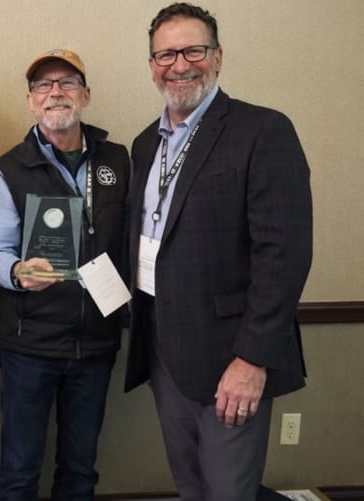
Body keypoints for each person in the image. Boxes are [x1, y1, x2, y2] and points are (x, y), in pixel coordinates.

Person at [124, 3, 312, 500]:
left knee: (229, 491)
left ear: (219, 57)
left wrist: (252, 359)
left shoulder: (262, 131)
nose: (180, 64)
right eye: (166, 53)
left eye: (194, 50)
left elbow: (284, 255)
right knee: (191, 486)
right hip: (165, 351)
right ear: (151, 65)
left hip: (232, 357)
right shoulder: (145, 145)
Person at [0, 49, 130, 500]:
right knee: (19, 473)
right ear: (30, 101)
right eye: (44, 85)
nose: (55, 93)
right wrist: (16, 272)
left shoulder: (119, 161)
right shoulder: (5, 170)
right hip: (31, 345)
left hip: (96, 343)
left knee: (81, 473)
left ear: (85, 94)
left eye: (67, 82)